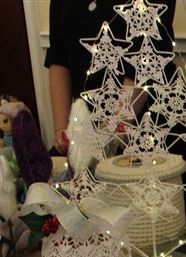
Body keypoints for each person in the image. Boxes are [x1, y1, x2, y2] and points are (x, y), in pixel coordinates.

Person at [45, 0, 177, 155]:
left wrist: (114, 128)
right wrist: (62, 129)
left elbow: (147, 57)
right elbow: (59, 57)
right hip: (85, 126)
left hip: (144, 126)